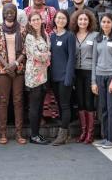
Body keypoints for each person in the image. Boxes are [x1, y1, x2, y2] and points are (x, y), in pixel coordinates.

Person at [0, 4, 27, 144]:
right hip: (3, 70)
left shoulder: (23, 30)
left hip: (18, 69)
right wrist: (7, 66)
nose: (10, 13)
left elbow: (25, 50)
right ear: (3, 14)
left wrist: (15, 64)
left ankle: (19, 134)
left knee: (18, 101)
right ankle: (3, 133)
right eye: (7, 11)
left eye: (12, 11)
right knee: (3, 101)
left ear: (16, 13)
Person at [91, 13, 112, 149]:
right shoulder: (97, 39)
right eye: (103, 22)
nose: (105, 24)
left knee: (111, 108)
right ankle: (105, 137)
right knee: (103, 108)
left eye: (108, 22)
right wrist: (93, 81)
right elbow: (94, 61)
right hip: (99, 76)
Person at [71, 9, 98, 144]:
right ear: (76, 21)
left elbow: (97, 57)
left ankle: (90, 133)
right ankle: (83, 131)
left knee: (89, 102)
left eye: (85, 19)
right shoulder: (72, 35)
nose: (83, 22)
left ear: (89, 21)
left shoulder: (95, 35)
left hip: (89, 71)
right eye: (80, 19)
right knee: (80, 102)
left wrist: (94, 79)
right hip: (77, 72)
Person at [50, 10, 76, 146]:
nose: (60, 20)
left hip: (64, 77)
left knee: (65, 106)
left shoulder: (70, 36)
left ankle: (62, 133)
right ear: (54, 19)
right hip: (54, 77)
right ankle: (65, 131)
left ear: (67, 21)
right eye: (58, 18)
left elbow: (72, 58)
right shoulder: (52, 37)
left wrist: (69, 77)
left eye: (63, 18)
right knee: (59, 105)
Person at [25, 12, 51, 145]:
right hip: (34, 75)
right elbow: (37, 55)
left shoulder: (45, 35)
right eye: (33, 20)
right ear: (29, 22)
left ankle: (38, 133)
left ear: (42, 20)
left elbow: (48, 52)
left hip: (44, 75)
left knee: (40, 105)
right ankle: (33, 135)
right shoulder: (29, 37)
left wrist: (46, 54)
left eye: (38, 19)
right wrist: (47, 55)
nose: (36, 21)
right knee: (34, 106)